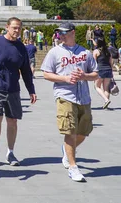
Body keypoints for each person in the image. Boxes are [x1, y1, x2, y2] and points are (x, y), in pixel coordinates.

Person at [41, 22, 98, 182]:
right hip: (65, 95)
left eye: (64, 33)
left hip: (84, 97)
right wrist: (65, 78)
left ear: (72, 32)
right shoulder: (54, 52)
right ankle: (73, 167)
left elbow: (95, 74)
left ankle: (67, 150)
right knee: (69, 132)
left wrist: (84, 76)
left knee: (83, 132)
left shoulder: (85, 52)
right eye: (59, 33)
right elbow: (46, 74)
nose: (61, 36)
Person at [0, 17, 37, 168]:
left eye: (19, 28)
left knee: (12, 121)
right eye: (14, 28)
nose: (17, 31)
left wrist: (31, 90)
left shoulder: (21, 47)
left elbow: (25, 71)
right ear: (7, 27)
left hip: (13, 88)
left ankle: (10, 152)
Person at [93, 38, 114, 109]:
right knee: (106, 88)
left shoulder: (96, 51)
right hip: (108, 69)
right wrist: (111, 70)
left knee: (97, 86)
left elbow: (94, 62)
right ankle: (106, 105)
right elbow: (111, 62)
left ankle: (106, 100)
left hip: (100, 70)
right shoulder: (108, 51)